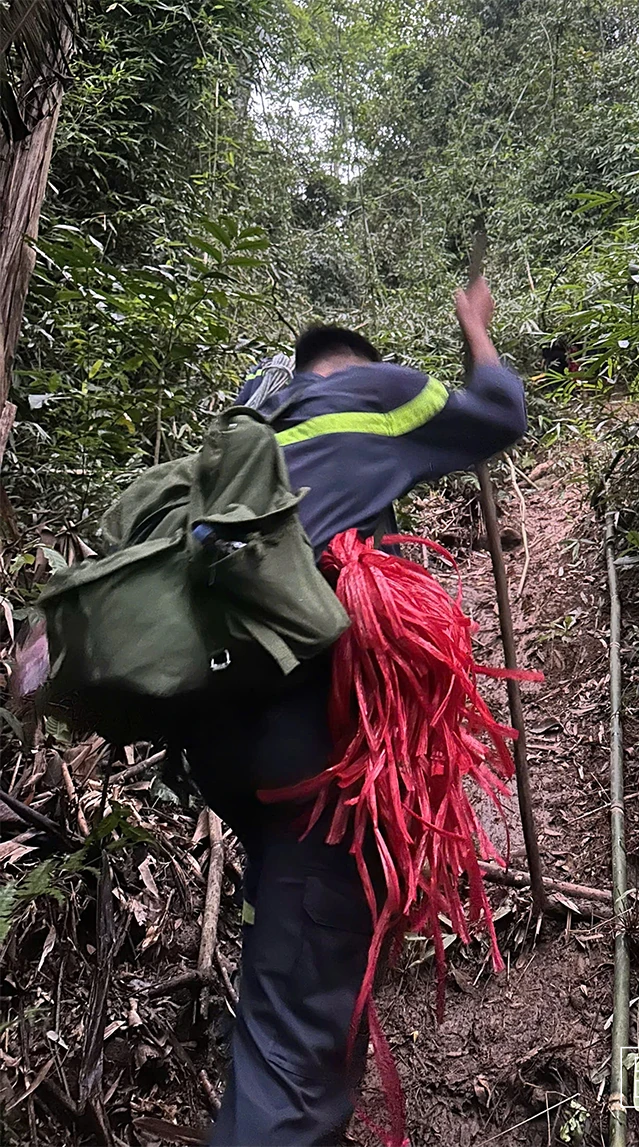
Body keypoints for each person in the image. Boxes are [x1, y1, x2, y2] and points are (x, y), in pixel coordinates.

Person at [180, 278, 526, 1146]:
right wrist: (475, 327)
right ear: (358, 365)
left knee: (297, 952)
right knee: (293, 1055)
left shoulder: (255, 430)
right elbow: (501, 410)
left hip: (227, 751)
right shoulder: (374, 392)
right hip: (317, 757)